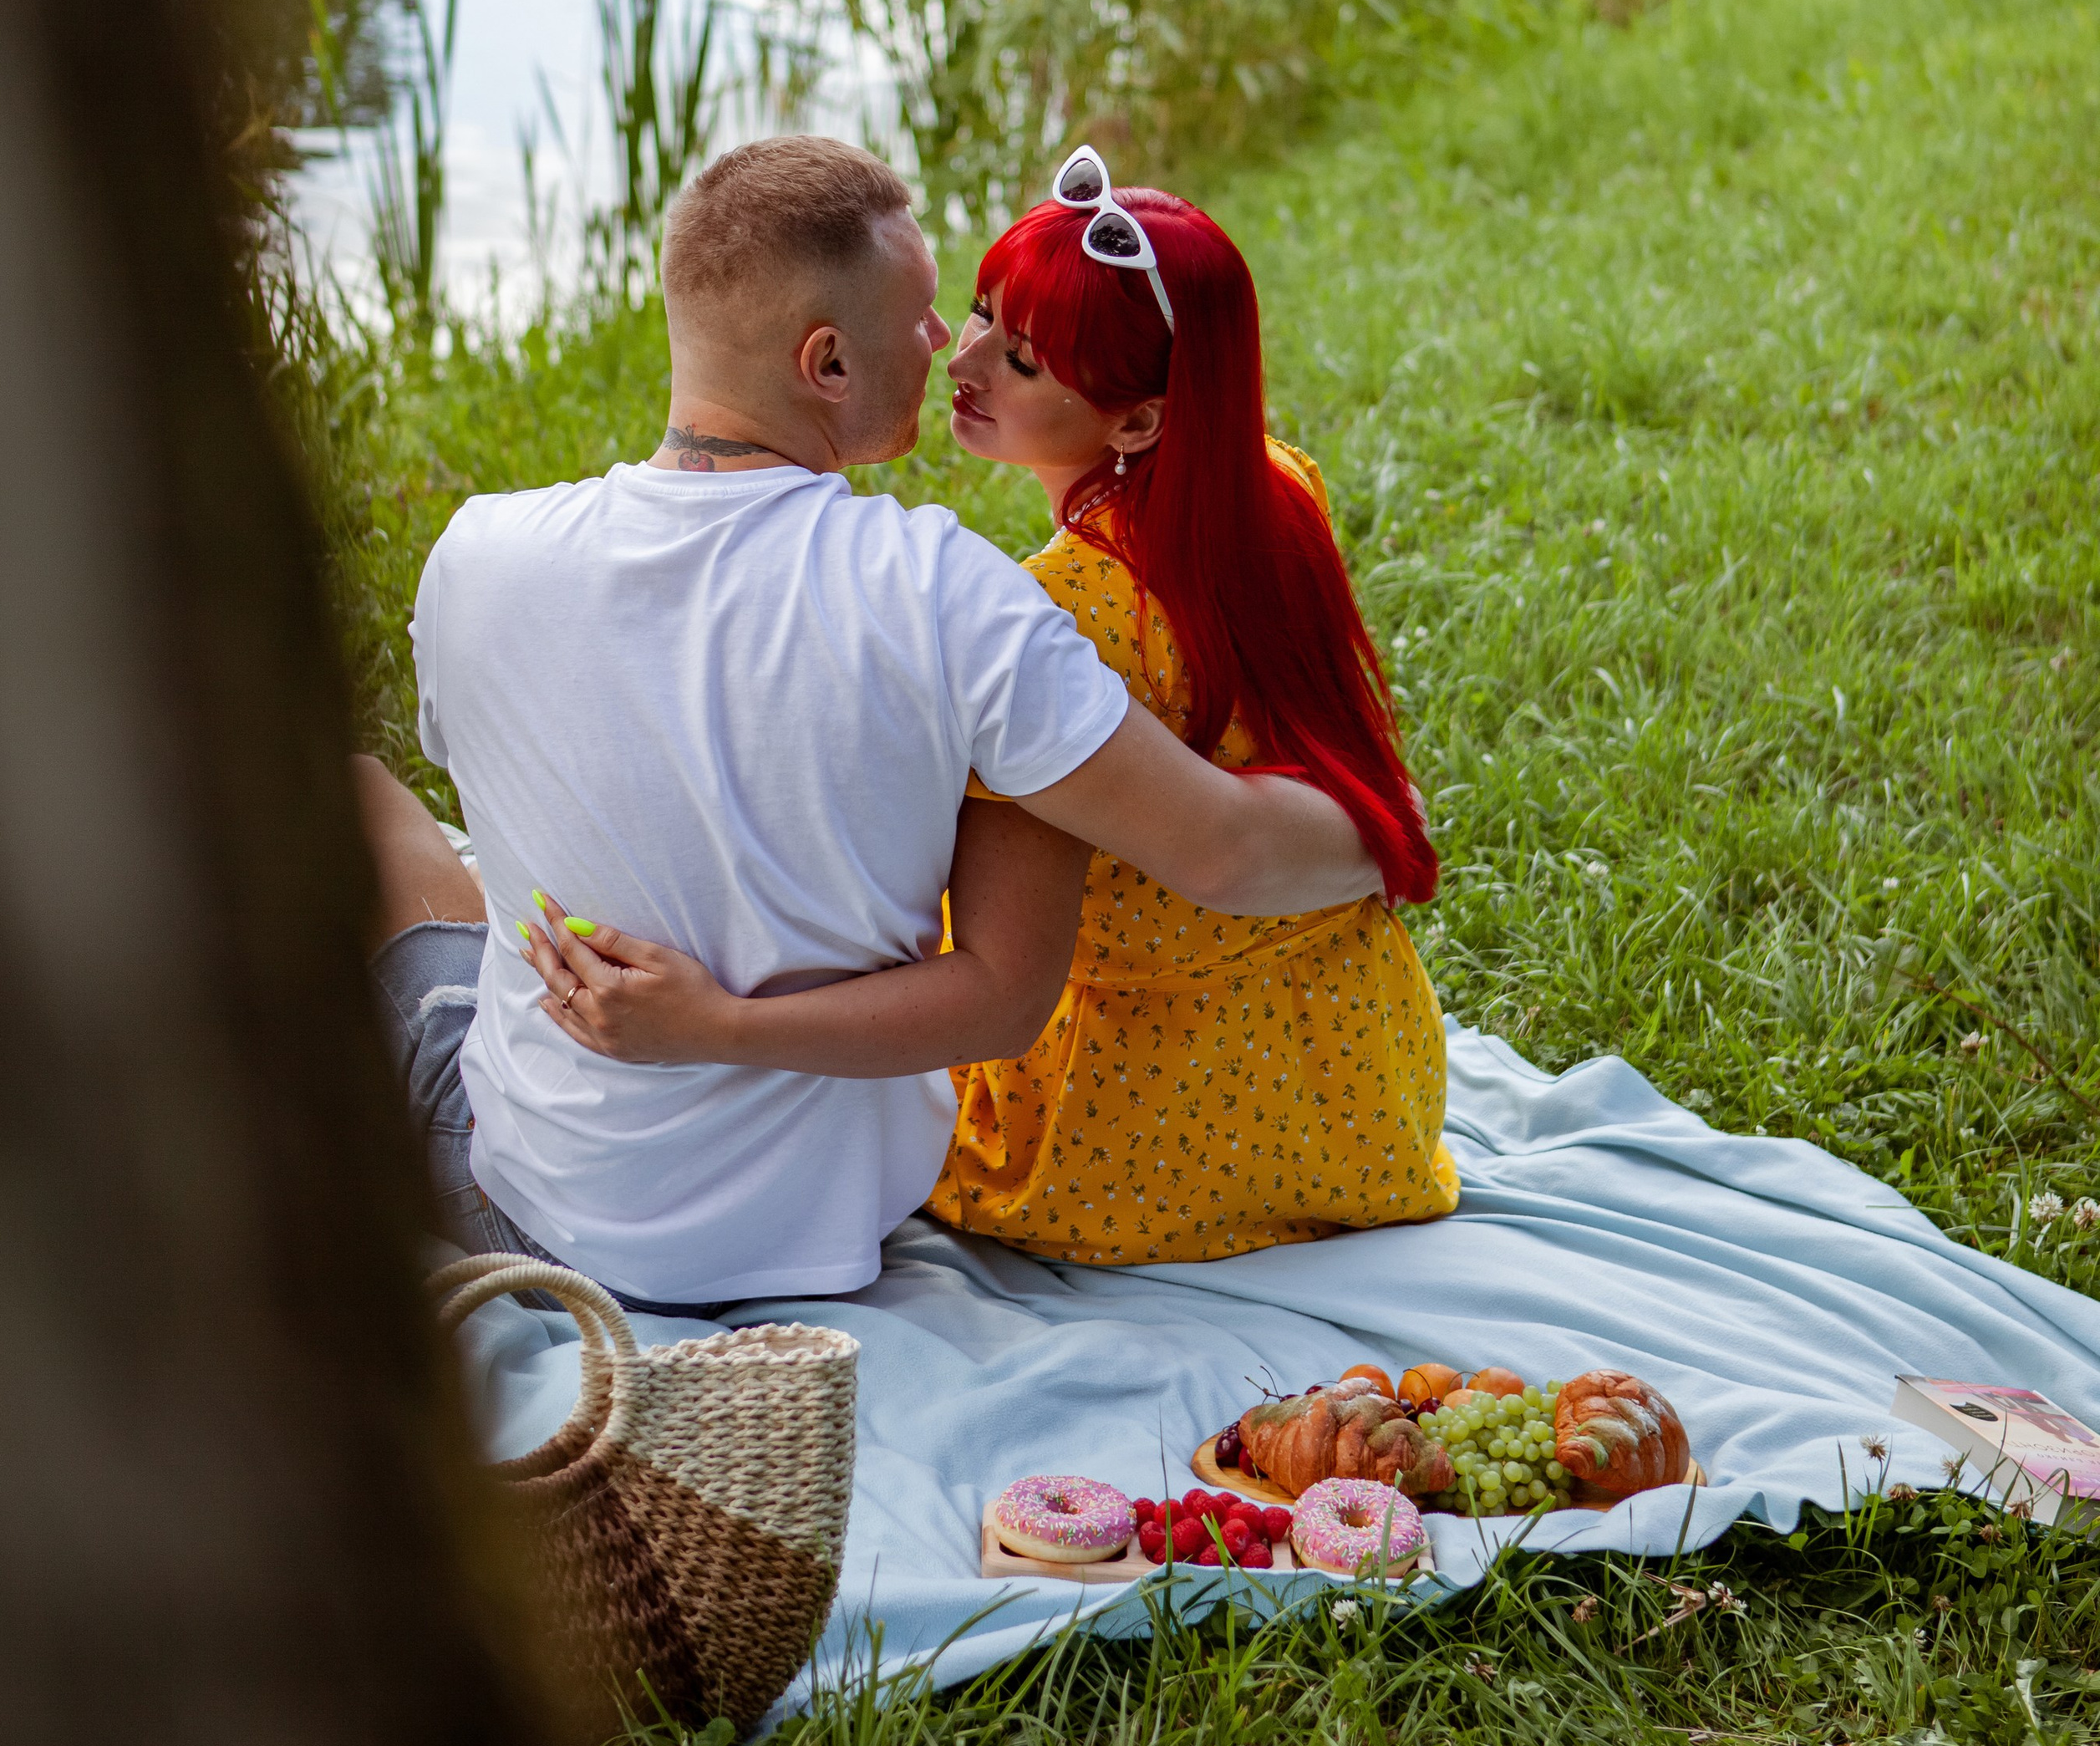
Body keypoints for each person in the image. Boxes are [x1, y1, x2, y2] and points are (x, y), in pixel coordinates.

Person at [362, 135, 1385, 1314]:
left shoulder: (477, 554)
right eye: (925, 317)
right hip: (826, 1236)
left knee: (366, 806)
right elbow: (1185, 874)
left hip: (523, 1196)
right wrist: (1391, 822)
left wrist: (701, 1014)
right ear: (828, 362)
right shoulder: (962, 602)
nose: (949, 341)